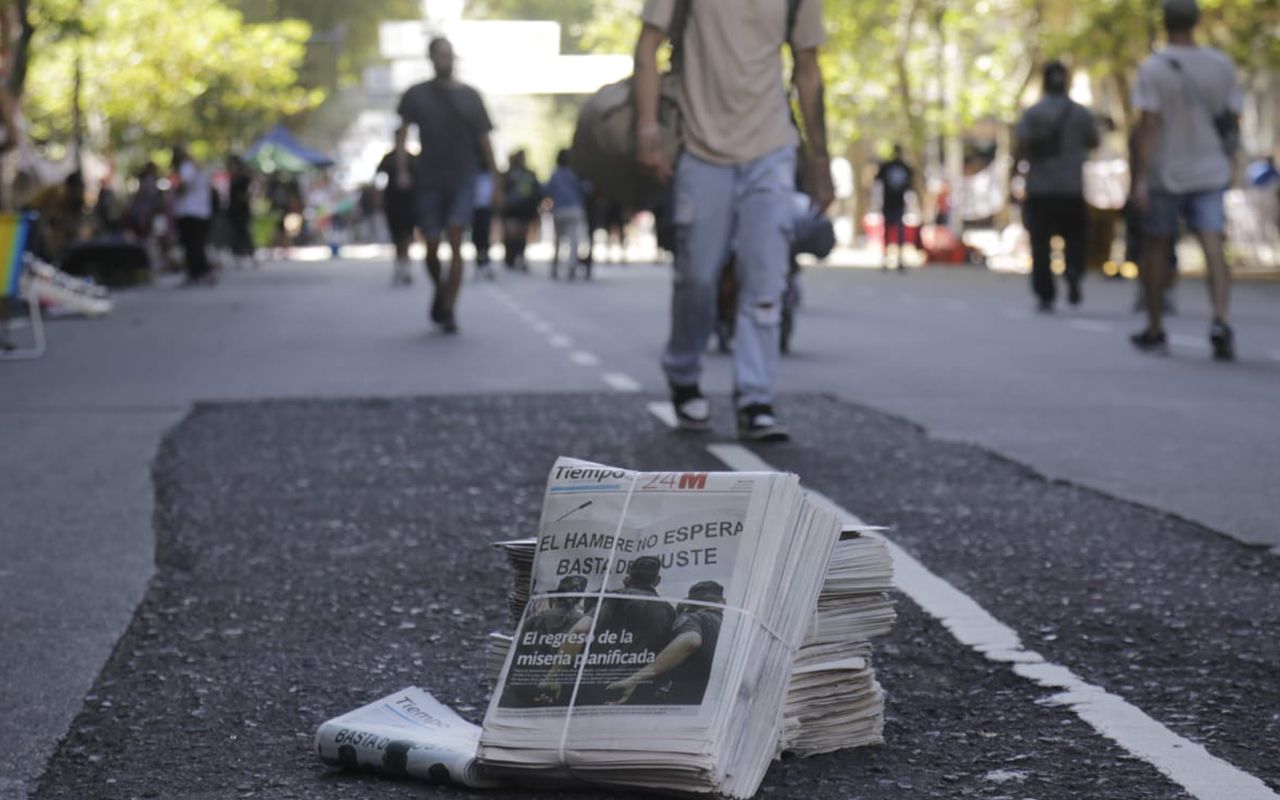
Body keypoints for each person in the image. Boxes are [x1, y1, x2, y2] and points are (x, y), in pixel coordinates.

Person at [635, 0, 833, 442]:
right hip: (700, 149)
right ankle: (684, 373)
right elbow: (648, 44)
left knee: (766, 279)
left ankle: (755, 398)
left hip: (771, 148)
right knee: (697, 278)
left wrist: (820, 159)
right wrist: (648, 128)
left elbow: (807, 68)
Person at [1129, 0, 1241, 360]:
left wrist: (1141, 178)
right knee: (1213, 247)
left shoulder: (1154, 68)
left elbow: (1149, 126)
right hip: (1210, 169)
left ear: (1164, 23)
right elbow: (1232, 121)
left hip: (1167, 171)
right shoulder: (1220, 65)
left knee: (1158, 247)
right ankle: (1220, 319)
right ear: (1197, 21)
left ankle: (1156, 328)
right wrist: (1230, 164)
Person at [394, 35, 499, 333]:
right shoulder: (416, 95)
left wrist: (495, 178)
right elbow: (401, 135)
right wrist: (402, 169)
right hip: (428, 178)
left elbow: (485, 140)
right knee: (430, 245)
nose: (446, 59)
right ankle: (440, 291)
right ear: (431, 58)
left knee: (456, 237)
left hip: (462, 177)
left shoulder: (471, 97)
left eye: (450, 54)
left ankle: (450, 307)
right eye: (441, 55)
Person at [1013, 60, 1100, 312]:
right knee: (1075, 237)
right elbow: (1094, 141)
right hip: (1071, 187)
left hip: (1040, 188)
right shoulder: (1080, 113)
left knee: (1040, 243)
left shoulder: (1033, 113)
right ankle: (1073, 269)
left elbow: (1021, 145)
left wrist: (1013, 174)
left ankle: (1045, 293)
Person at [608, 580, 724, 706]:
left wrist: (637, 677)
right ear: (722, 602)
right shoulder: (729, 624)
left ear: (690, 603)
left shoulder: (693, 618)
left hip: (688, 699)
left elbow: (691, 639)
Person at [171, 146, 215, 286]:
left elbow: (184, 186)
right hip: (201, 212)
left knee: (192, 245)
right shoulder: (198, 169)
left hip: (189, 211)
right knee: (197, 244)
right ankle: (201, 272)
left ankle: (198, 272)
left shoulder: (186, 167)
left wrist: (175, 190)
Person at [544, 149, 589, 280]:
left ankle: (555, 267)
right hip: (574, 209)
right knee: (573, 240)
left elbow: (546, 190)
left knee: (558, 240)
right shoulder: (574, 174)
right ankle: (571, 267)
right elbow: (585, 188)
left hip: (560, 210)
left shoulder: (555, 174)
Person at [377, 139, 417, 286]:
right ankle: (399, 266)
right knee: (396, 237)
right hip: (392, 203)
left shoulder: (412, 158)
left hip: (409, 203)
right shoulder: (388, 158)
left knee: (407, 235)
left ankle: (405, 267)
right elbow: (378, 177)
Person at [874, 144, 915, 271]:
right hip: (890, 203)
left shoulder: (901, 167)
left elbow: (910, 185)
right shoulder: (891, 167)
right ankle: (888, 258)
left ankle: (898, 259)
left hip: (896, 203)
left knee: (897, 232)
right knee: (890, 232)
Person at [501, 150, 541, 271]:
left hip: (524, 209)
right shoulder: (507, 175)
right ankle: (510, 257)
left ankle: (519, 256)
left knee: (521, 235)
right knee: (511, 234)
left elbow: (536, 192)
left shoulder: (529, 174)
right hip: (511, 209)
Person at [226, 155, 255, 268]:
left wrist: (244, 198)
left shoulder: (244, 178)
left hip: (242, 210)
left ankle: (249, 254)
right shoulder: (233, 178)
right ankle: (238, 256)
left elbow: (250, 192)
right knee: (236, 233)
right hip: (234, 210)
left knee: (244, 232)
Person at [472, 170, 496, 279]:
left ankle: (485, 261)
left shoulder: (489, 175)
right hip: (474, 208)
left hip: (486, 208)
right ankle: (479, 261)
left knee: (485, 234)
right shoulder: (472, 172)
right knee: (477, 235)